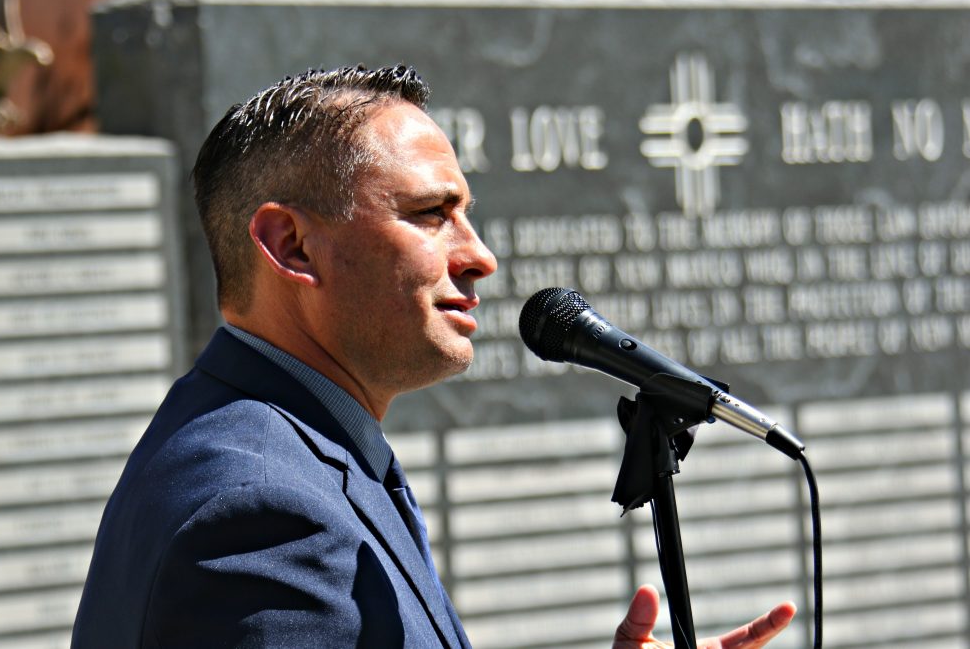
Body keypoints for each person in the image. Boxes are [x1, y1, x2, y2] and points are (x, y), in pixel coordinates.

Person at [71, 64, 795, 647]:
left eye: (466, 215)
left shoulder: (270, 447)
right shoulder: (265, 512)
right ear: (290, 245)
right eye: (429, 214)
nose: (480, 256)